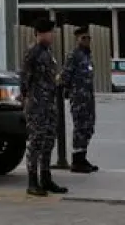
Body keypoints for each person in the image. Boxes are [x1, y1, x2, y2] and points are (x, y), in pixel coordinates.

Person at [20, 17, 68, 196]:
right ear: (42, 33)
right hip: (37, 105)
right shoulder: (33, 52)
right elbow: (25, 77)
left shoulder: (48, 52)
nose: (53, 35)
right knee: (36, 142)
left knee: (48, 141)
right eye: (51, 32)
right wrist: (25, 98)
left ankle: (46, 178)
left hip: (49, 104)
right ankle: (32, 182)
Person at [62, 28, 98, 173]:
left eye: (88, 38)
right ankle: (77, 161)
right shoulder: (73, 55)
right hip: (78, 97)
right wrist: (68, 92)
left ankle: (83, 157)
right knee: (80, 127)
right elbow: (66, 75)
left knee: (88, 127)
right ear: (77, 39)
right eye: (83, 38)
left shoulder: (87, 55)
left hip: (88, 97)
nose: (86, 41)